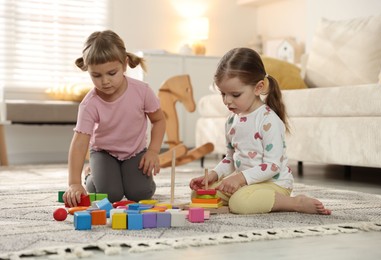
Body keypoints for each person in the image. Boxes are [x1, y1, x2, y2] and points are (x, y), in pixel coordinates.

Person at [189, 47, 331, 215]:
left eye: (235, 94)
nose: (227, 101)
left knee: (240, 203)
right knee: (198, 194)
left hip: (274, 184)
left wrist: (240, 178)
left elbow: (273, 166)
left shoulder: (268, 120)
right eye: (223, 94)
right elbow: (230, 158)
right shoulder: (231, 120)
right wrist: (214, 175)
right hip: (247, 184)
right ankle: (238, 202)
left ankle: (295, 202)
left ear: (258, 88)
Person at [63, 30, 166, 208]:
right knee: (109, 196)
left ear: (124, 64)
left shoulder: (142, 91)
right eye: (96, 76)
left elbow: (159, 120)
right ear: (88, 71)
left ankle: (128, 179)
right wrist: (74, 183)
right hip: (104, 153)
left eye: (111, 73)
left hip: (135, 152)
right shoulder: (89, 104)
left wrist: (153, 151)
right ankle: (91, 175)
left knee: (141, 194)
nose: (105, 82)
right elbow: (79, 143)